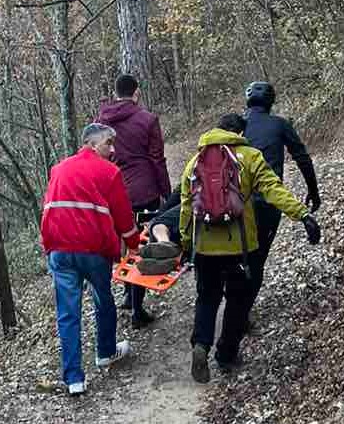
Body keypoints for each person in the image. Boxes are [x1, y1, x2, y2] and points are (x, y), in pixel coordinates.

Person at [179, 113, 321, 383]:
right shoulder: (251, 156)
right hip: (242, 246)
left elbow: (187, 207)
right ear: (238, 132)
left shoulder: (195, 161)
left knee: (207, 296)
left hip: (206, 247)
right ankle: (226, 355)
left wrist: (187, 243)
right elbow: (273, 190)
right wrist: (303, 215)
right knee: (238, 300)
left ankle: (201, 344)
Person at [40, 123, 141, 396]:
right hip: (93, 250)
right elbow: (123, 217)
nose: (113, 149)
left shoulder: (58, 169)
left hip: (59, 250)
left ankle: (74, 379)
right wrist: (134, 243)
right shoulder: (109, 172)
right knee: (103, 298)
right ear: (92, 144)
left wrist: (49, 247)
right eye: (109, 143)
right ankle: (105, 352)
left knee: (67, 314)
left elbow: (49, 208)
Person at [242, 82, 322, 330]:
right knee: (258, 259)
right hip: (268, 203)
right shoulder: (279, 124)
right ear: (270, 102)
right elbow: (302, 157)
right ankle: (241, 315)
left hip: (237, 203)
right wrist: (313, 191)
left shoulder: (237, 125)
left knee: (238, 252)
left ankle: (233, 300)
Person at [95, 74, 171, 329]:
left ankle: (128, 294)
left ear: (116, 93)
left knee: (125, 242)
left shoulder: (101, 121)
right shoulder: (147, 119)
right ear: (136, 92)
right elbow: (157, 158)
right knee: (140, 245)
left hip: (111, 190)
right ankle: (138, 308)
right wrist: (166, 193)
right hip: (143, 190)